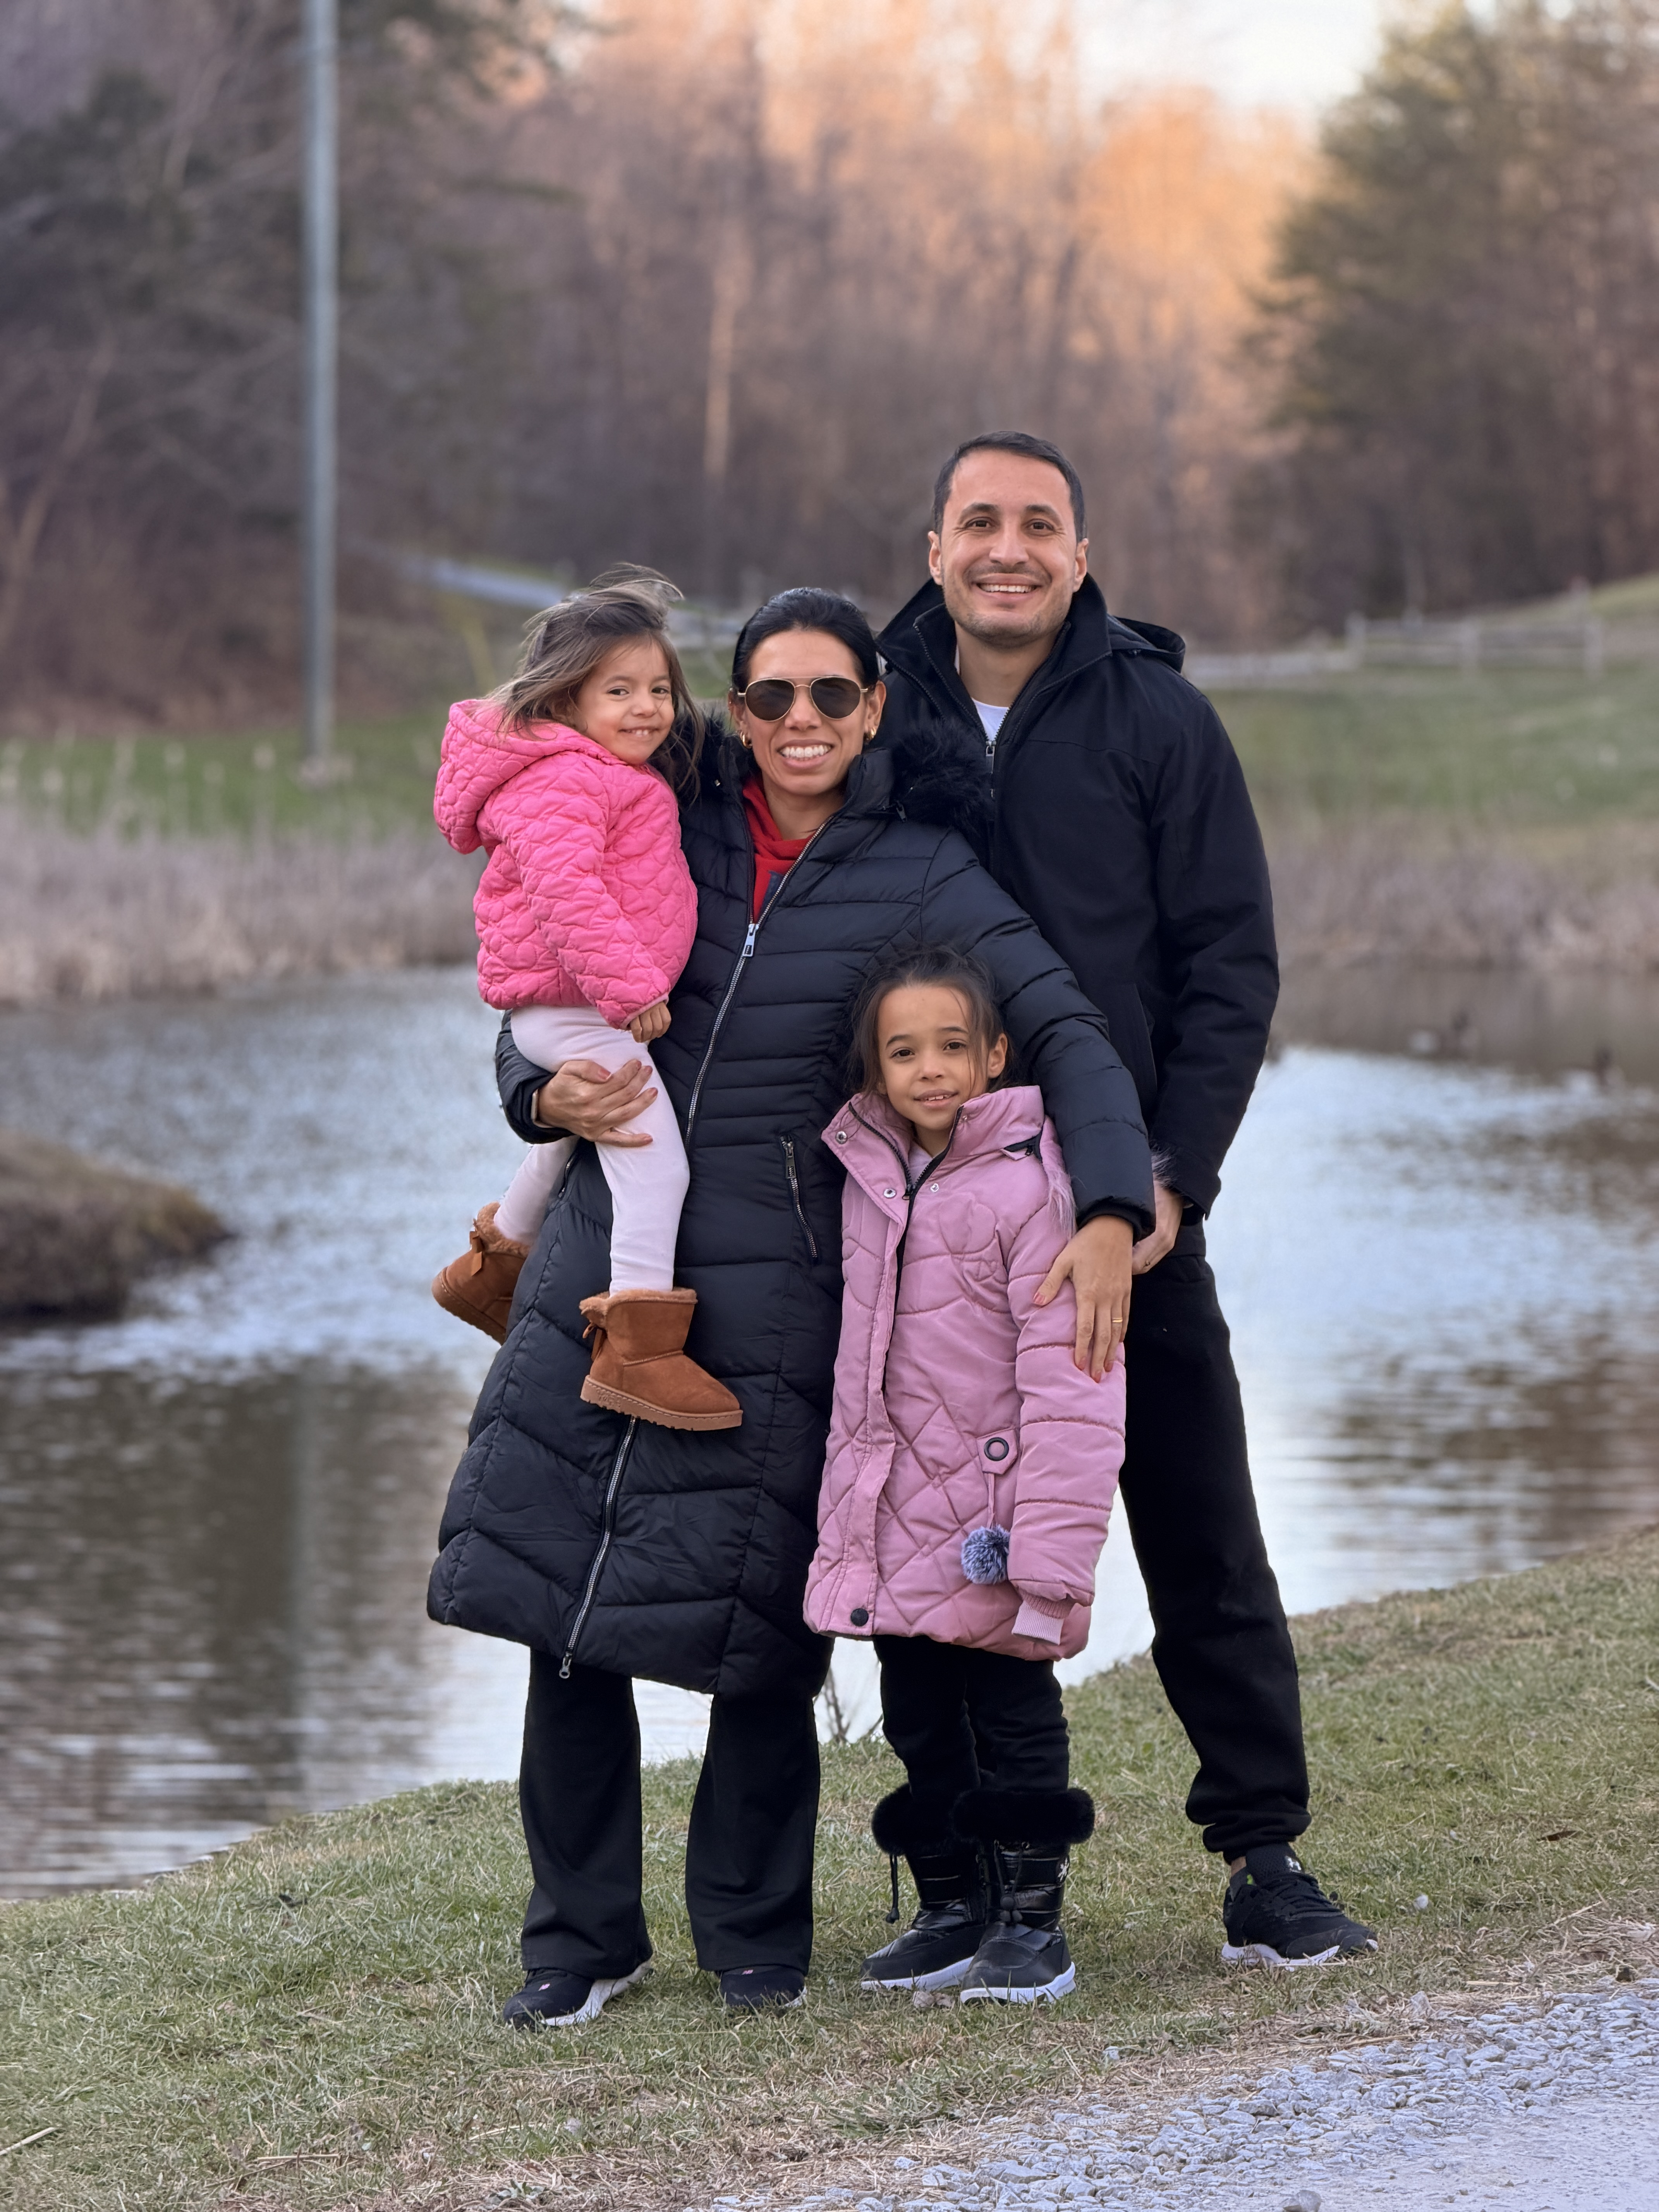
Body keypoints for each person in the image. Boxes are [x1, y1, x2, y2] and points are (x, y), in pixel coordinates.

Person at [428, 587, 1155, 2027]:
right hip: (600, 1262)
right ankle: (577, 1941)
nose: (800, 723)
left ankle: (753, 1939)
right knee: (561, 1610)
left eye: (832, 695)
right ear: (733, 711)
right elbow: (537, 981)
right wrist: (529, 1092)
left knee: (755, 1627)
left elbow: (1062, 1027)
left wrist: (1113, 1210)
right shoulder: (659, 812)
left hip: (789, 1295)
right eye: (769, 697)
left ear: (874, 707)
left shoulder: (930, 873)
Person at [875, 431, 1379, 1971]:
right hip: (935, 1231)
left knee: (1202, 1531)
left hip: (1129, 1214)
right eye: (981, 522)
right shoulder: (870, 717)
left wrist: (1171, 1178)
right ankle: (971, 1882)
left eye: (1040, 524)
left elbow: (1231, 969)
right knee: (935, 1561)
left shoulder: (1160, 720)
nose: (1008, 547)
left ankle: (1266, 1856)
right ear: (938, 543)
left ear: (1081, 555)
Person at [804, 945, 1120, 2005]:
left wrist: (1052, 1550)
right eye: (904, 1052)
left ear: (993, 1057)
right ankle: (953, 1906)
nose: (929, 1069)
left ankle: (1030, 1924)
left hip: (990, 1512)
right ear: (876, 1069)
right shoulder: (867, 1177)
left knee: (1010, 1709)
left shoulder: (1029, 1185)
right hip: (894, 1509)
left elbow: (1072, 1380)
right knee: (919, 1713)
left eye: (951, 1046)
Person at [427, 568, 738, 1429]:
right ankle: (639, 1344)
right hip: (577, 1001)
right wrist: (631, 989)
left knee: (578, 1135)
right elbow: (568, 895)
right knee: (652, 1157)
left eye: (660, 690)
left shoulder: (602, 772)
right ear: (567, 702)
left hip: (569, 1002)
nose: (648, 708)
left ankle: (493, 1268)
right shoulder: (565, 780)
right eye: (620, 691)